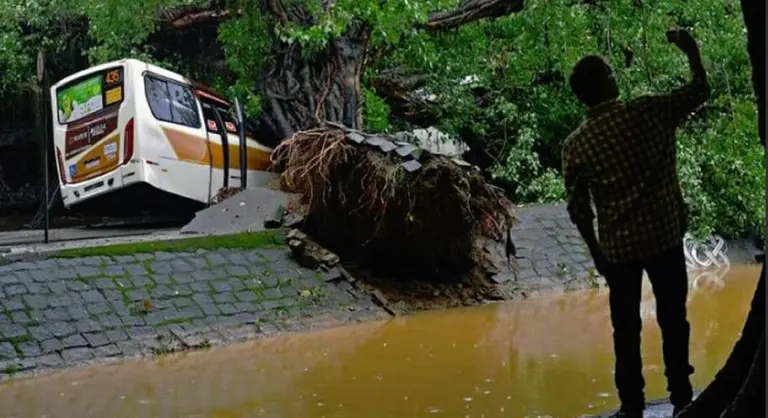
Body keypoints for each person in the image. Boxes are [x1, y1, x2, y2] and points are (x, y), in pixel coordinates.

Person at [561, 29, 710, 418]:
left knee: (625, 331)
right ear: (607, 83)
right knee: (674, 319)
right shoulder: (648, 111)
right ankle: (682, 397)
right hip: (663, 238)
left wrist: (597, 255)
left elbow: (578, 210)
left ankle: (631, 406)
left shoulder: (576, 145)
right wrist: (691, 51)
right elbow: (699, 91)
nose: (615, 75)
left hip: (618, 252)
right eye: (611, 71)